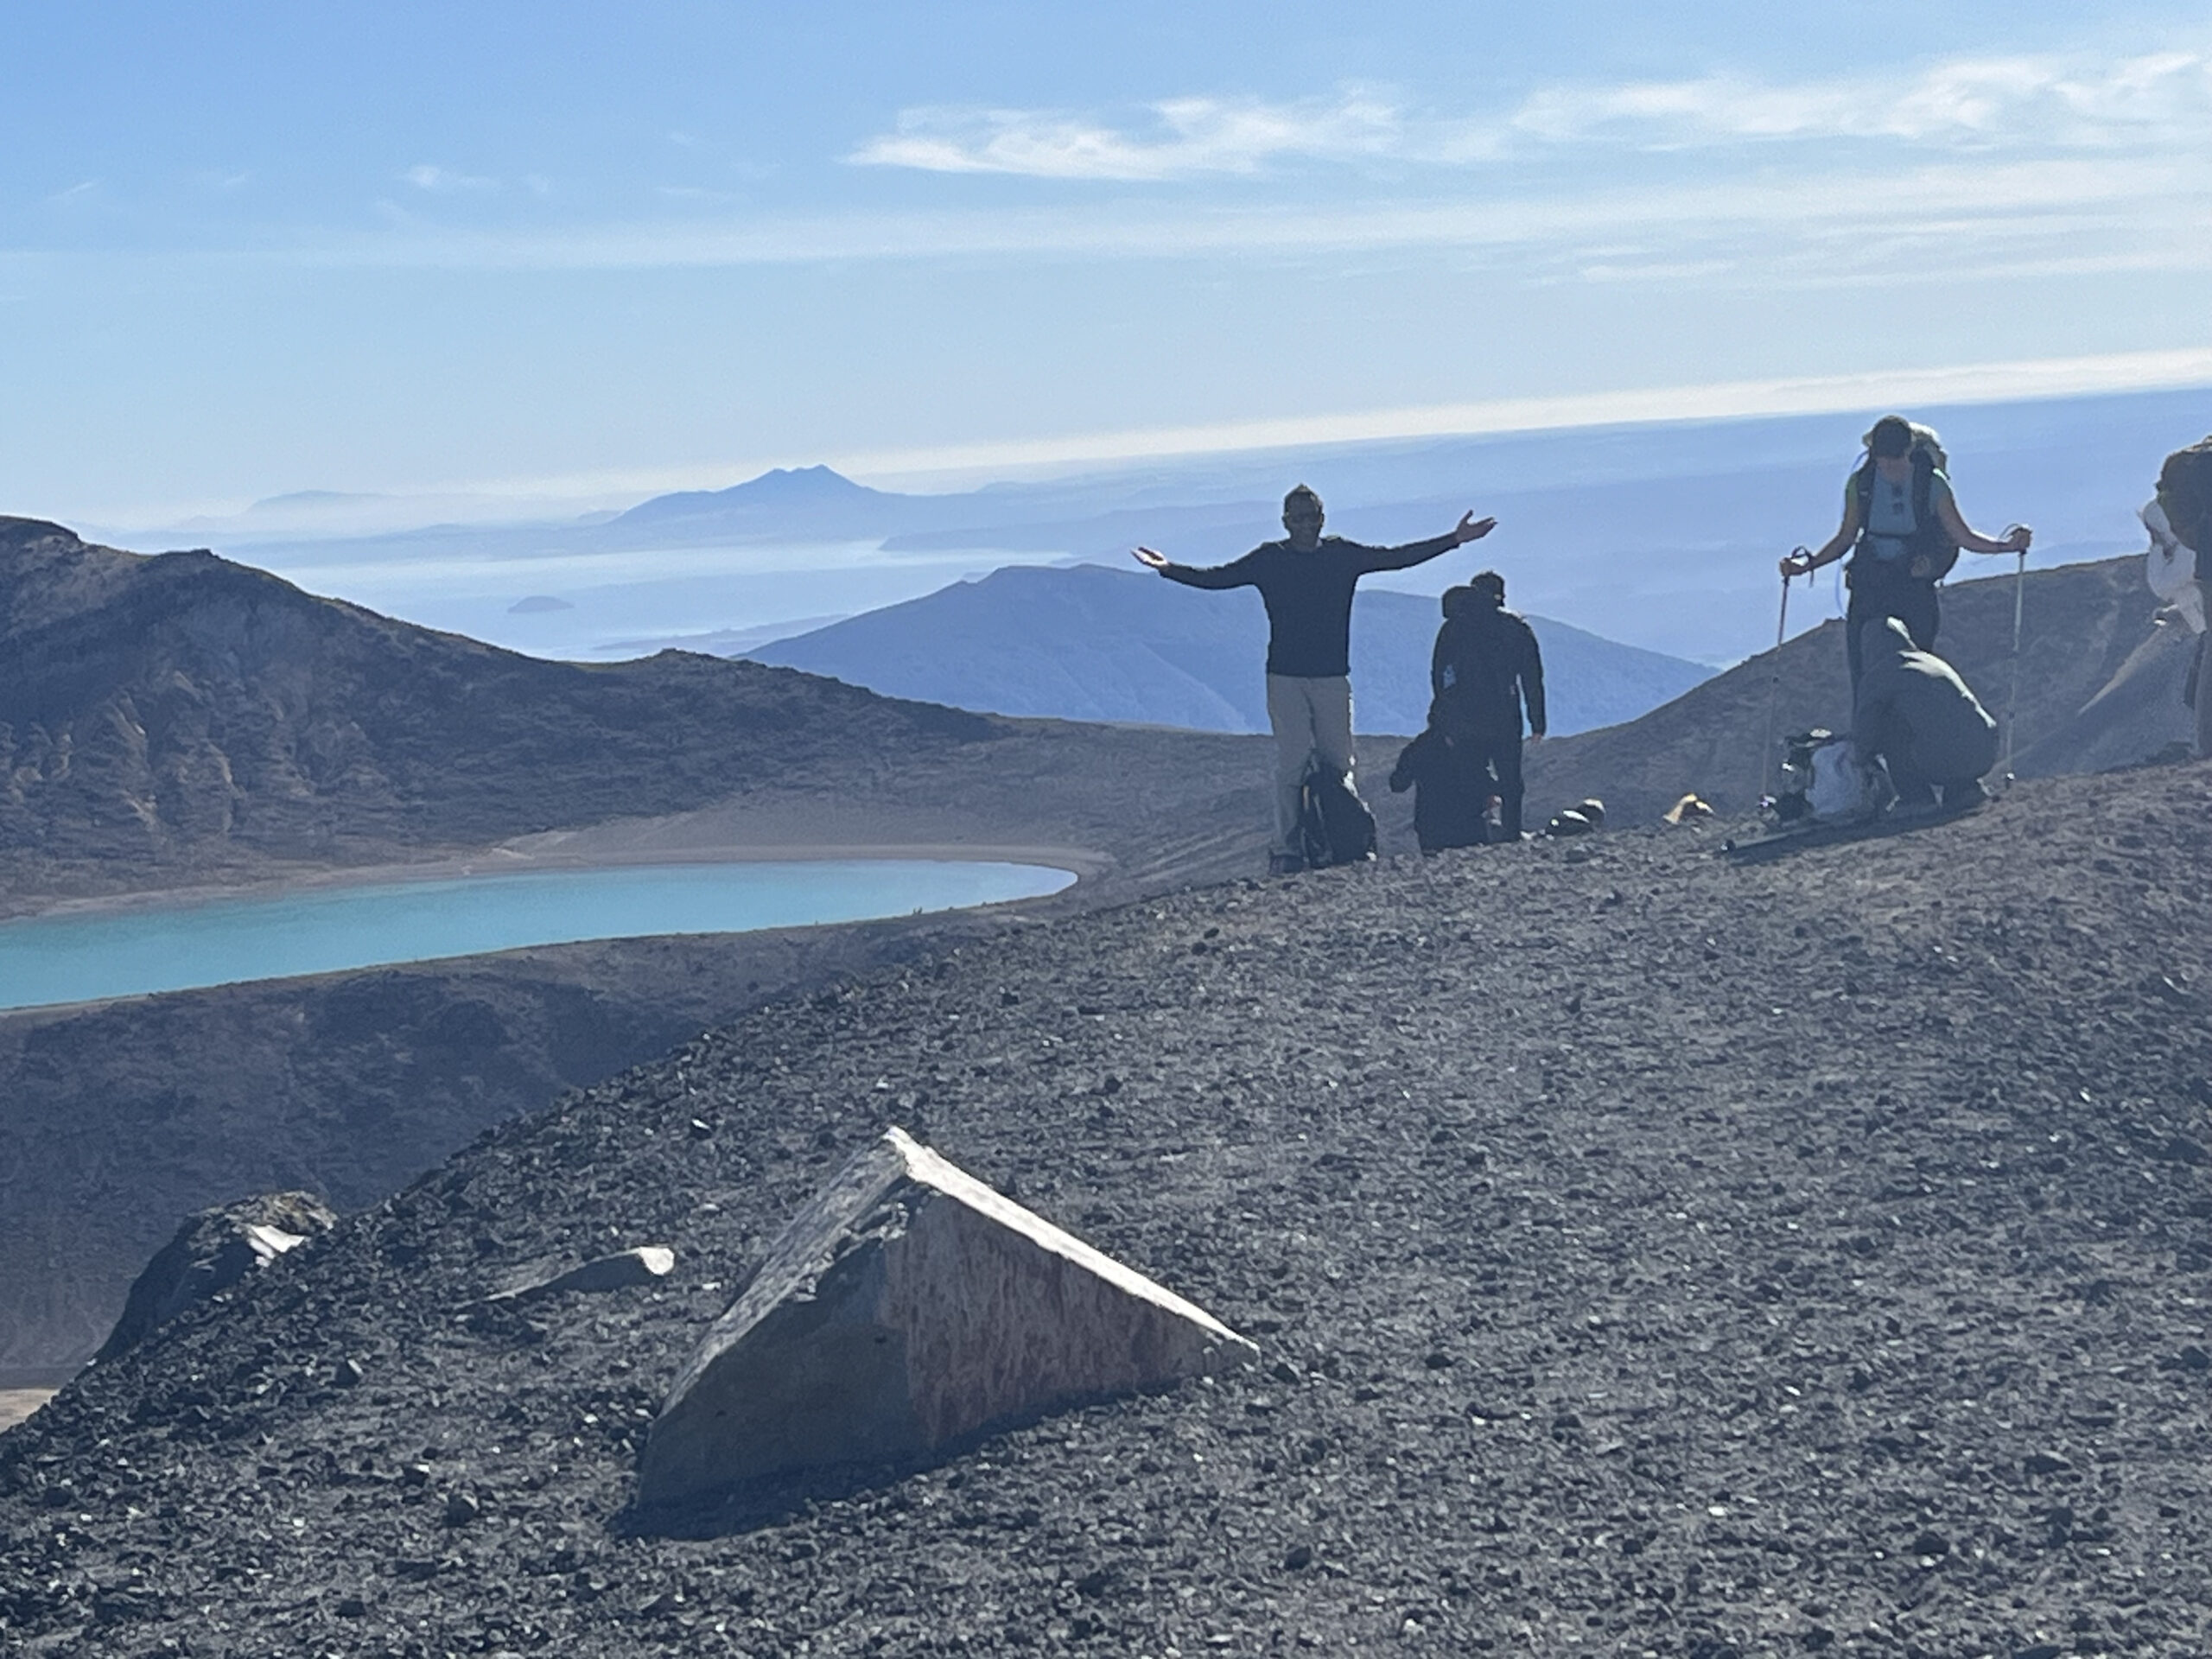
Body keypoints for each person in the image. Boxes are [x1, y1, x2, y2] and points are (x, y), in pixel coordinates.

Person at [1135, 485, 1495, 872]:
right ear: (1286, 522)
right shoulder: (1269, 559)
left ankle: (1348, 838)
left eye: (1313, 517)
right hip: (1286, 678)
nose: (1307, 525)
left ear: (1322, 519)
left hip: (1331, 677)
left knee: (1339, 763)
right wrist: (1169, 570)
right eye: (1299, 518)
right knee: (1292, 764)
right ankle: (1286, 849)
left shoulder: (1341, 555)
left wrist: (1454, 540)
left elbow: (1396, 558)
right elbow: (1220, 578)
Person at [1781, 415, 2031, 690]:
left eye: (1893, 458)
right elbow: (1846, 537)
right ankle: (1877, 730)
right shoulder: (1866, 483)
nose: (1888, 466)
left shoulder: (1923, 483)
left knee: (1899, 672)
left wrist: (2006, 547)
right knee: (1883, 672)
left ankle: (1889, 729)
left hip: (1899, 586)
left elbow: (1961, 536)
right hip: (1884, 585)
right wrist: (1807, 565)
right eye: (1883, 459)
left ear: (1907, 451)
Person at [1427, 573, 1545, 840]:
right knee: (1510, 778)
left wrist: (1444, 716)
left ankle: (1474, 834)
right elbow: (1532, 678)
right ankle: (1510, 832)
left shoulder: (1454, 628)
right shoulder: (1515, 627)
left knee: (1470, 777)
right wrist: (1537, 721)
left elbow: (1440, 676)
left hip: (1465, 716)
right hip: (1505, 714)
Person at [1853, 616, 1999, 817]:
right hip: (1984, 749)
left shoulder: (1880, 674)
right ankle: (1964, 790)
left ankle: (1915, 798)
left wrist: (1859, 759)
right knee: (1941, 719)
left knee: (1890, 726)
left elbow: (1866, 729)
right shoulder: (1933, 661)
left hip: (1945, 759)